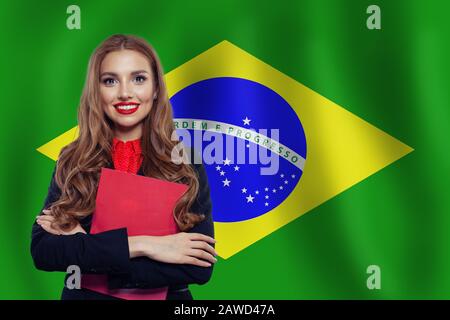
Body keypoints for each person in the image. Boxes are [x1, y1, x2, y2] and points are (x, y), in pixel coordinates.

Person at [30, 34, 217, 300]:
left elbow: (198, 267)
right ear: (97, 91)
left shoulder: (185, 161)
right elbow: (44, 251)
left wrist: (88, 248)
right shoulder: (74, 160)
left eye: (138, 78)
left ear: (155, 89)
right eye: (110, 80)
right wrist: (146, 245)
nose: (125, 92)